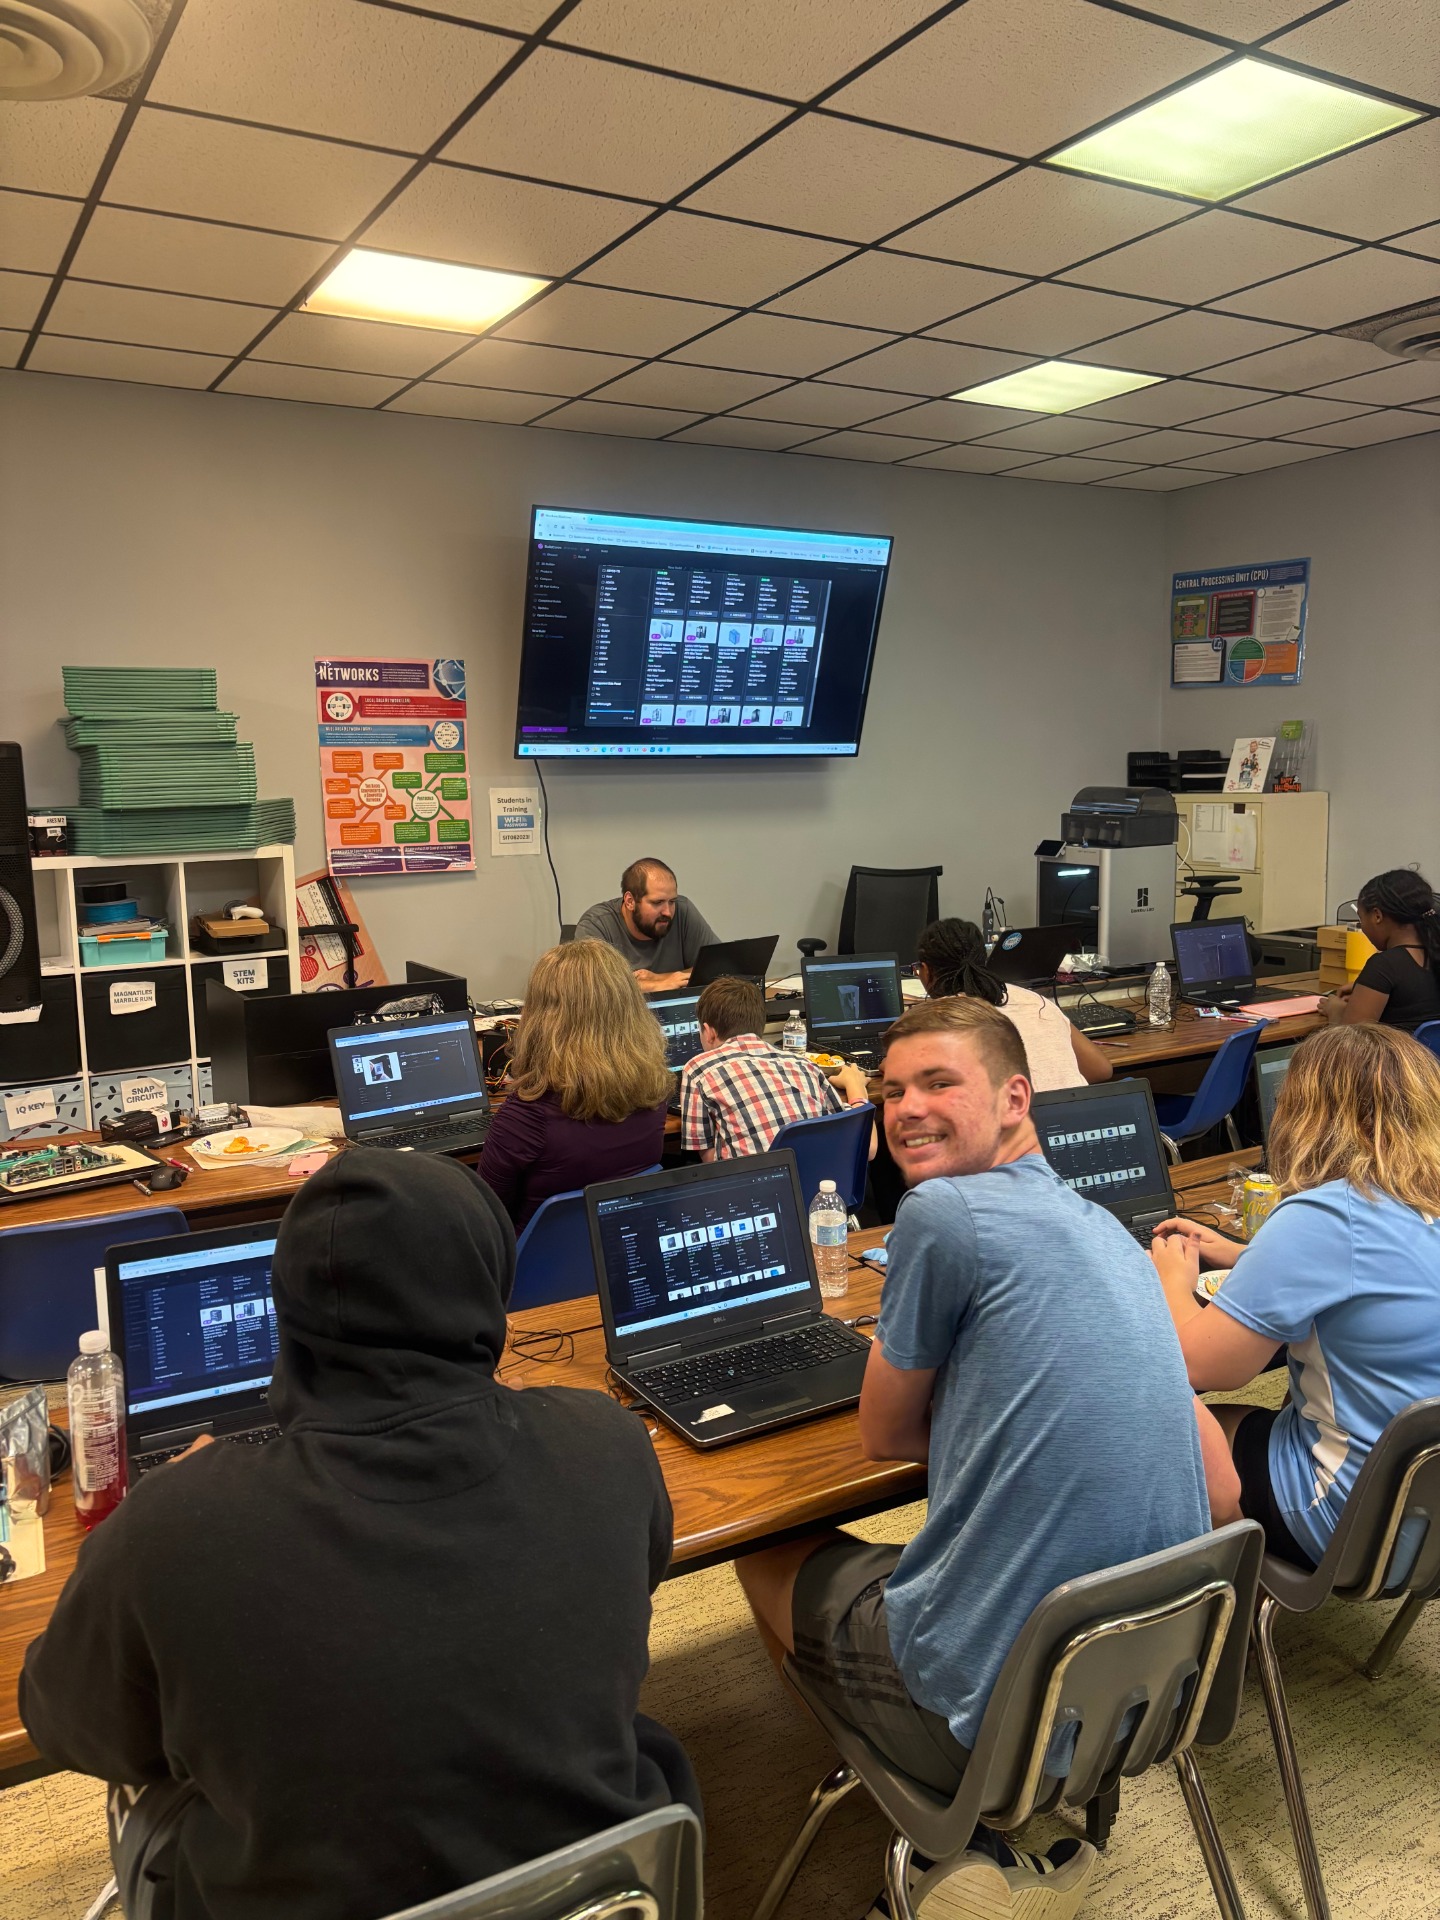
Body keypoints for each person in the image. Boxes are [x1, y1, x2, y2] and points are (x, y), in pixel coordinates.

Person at [20, 1151, 697, 1920]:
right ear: (490, 1289)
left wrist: (169, 1508)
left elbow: (66, 1722)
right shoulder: (609, 1444)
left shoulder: (175, 1524)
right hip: (603, 1893)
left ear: (288, 1312)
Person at [736, 998, 1220, 1917]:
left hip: (1000, 1709)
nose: (907, 1108)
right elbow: (1215, 1482)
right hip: (1150, 1689)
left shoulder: (940, 1211)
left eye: (938, 1083)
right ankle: (1023, 1825)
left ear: (1015, 1099)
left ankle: (943, 1834)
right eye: (891, 1092)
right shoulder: (1109, 1232)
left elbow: (883, 1435)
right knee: (927, 1553)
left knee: (762, 1549)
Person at [1151, 1023, 1440, 1569]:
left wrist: (1172, 1275)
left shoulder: (1328, 1215)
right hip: (1428, 1519)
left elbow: (1201, 1366)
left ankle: (1217, 1584)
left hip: (1353, 1527)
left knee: (1174, 1427)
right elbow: (1371, 1274)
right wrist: (1248, 1255)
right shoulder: (1420, 1199)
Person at [479, 940, 671, 1229]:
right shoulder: (656, 1092)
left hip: (536, 1257)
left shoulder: (526, 1117)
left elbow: (484, 1218)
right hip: (624, 1249)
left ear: (542, 1017)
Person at [680, 975, 874, 1161]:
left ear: (709, 1032)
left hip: (758, 1183)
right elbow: (865, 1145)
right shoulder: (804, 1064)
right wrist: (855, 1086)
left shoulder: (698, 1069)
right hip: (824, 1181)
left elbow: (708, 1157)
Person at [916, 917, 1112, 1089]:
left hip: (1019, 1118)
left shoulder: (931, 1021)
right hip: (1073, 1114)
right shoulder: (1033, 1000)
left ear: (925, 971)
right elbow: (1100, 1070)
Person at [1322, 868, 1440, 1033]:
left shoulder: (1384, 966)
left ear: (1377, 916)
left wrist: (1336, 1013)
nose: (1362, 927)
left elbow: (1350, 1043)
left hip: (1397, 1051)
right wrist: (1368, 987)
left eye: (1361, 919)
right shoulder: (1432, 957)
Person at [575, 857, 718, 990]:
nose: (668, 912)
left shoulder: (682, 910)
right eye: (657, 902)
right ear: (630, 901)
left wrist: (660, 978)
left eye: (672, 901)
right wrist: (656, 986)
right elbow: (593, 988)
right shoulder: (596, 925)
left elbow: (720, 969)